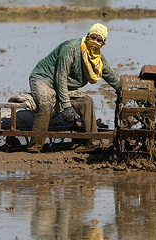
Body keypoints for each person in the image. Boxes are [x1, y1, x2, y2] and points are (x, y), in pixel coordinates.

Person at [27, 23, 120, 153]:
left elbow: (111, 75)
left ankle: (93, 142)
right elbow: (61, 77)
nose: (94, 42)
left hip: (66, 85)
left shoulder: (97, 58)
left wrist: (124, 90)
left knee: (87, 102)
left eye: (99, 40)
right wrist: (66, 105)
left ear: (103, 43)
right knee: (46, 106)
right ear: (87, 36)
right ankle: (35, 147)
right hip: (44, 79)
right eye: (92, 38)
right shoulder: (70, 48)